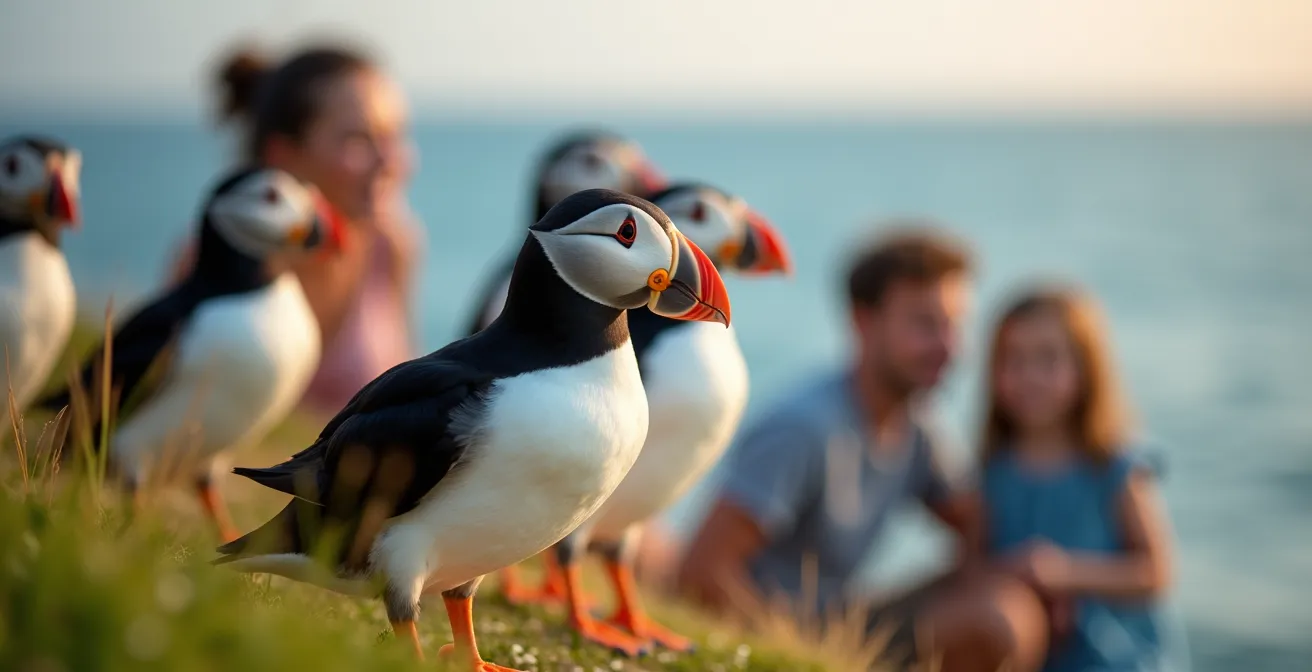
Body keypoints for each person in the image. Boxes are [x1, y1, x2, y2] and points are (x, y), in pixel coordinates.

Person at [676, 225, 1049, 671]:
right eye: (925, 324)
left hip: (842, 619)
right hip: (778, 633)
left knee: (1009, 605)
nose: (949, 347)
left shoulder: (918, 423)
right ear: (863, 322)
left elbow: (971, 517)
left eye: (955, 324)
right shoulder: (805, 428)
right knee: (996, 620)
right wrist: (791, 652)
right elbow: (701, 570)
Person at [167, 43, 421, 415]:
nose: (390, 161)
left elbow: (404, 404)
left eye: (394, 135)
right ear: (282, 155)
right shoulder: (206, 262)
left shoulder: (392, 246)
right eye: (357, 139)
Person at [975, 286, 1187, 671]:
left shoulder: (1114, 465)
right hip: (1034, 654)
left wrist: (1065, 574)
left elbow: (1158, 571)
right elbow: (974, 562)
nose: (1029, 376)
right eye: (1013, 360)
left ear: (1086, 367)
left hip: (1117, 659)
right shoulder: (993, 469)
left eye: (1048, 359)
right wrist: (1020, 579)